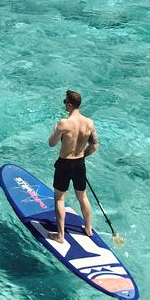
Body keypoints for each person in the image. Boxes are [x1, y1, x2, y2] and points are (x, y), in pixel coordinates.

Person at [47, 89, 99, 244]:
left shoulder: (64, 123)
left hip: (64, 164)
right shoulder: (89, 123)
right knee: (82, 196)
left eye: (65, 102)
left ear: (69, 105)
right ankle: (88, 229)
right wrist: (82, 155)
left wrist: (57, 129)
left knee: (59, 198)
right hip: (79, 164)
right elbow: (94, 145)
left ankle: (60, 235)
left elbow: (51, 143)